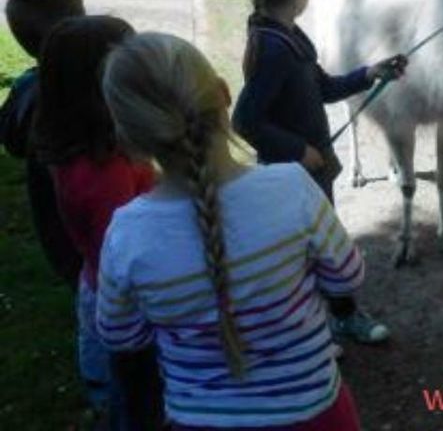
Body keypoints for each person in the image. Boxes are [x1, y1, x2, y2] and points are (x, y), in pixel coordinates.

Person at [96, 32, 364, 430]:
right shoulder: (292, 187)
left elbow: (122, 337)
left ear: (128, 139)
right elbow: (346, 276)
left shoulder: (126, 235)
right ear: (224, 95)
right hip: (316, 414)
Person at [232, 0, 406, 345]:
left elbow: (323, 88)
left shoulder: (288, 35)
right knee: (307, 250)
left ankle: (340, 317)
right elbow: (244, 121)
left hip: (312, 171)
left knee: (321, 244)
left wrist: (371, 73)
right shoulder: (273, 48)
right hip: (291, 174)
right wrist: (298, 150)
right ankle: (317, 329)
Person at [32, 15, 158, 429]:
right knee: (137, 404)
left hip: (97, 286)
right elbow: (124, 260)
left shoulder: (82, 144)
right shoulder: (104, 172)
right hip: (127, 306)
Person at [0, 0, 85, 287]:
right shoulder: (88, 94)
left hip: (57, 237)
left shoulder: (26, 89)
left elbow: (10, 138)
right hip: (93, 238)